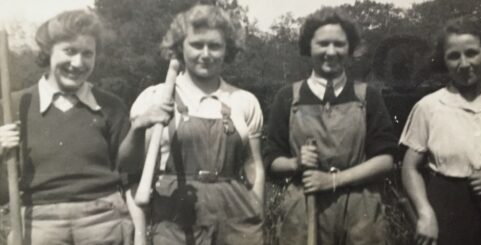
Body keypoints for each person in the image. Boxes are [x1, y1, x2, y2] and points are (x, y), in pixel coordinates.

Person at [120, 4, 264, 245]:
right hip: (174, 220)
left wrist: (255, 212)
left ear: (227, 49)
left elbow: (254, 166)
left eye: (215, 46)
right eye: (197, 45)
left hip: (234, 221)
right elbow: (127, 167)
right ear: (179, 48)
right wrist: (138, 127)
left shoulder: (244, 101)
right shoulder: (154, 98)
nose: (205, 54)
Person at [264, 7, 397, 245]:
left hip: (360, 211)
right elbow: (271, 159)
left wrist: (333, 181)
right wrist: (296, 163)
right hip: (303, 209)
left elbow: (385, 160)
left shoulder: (367, 96)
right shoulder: (288, 97)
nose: (331, 52)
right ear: (309, 46)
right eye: (323, 43)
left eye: (339, 44)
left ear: (350, 48)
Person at [0, 10, 134, 245]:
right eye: (69, 51)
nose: (78, 63)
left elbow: (130, 173)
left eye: (87, 54)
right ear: (48, 52)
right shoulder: (13, 106)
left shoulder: (111, 106)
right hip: (38, 223)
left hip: (103, 220)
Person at [400, 16, 481, 245]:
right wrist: (425, 213)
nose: (464, 64)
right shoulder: (429, 107)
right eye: (453, 56)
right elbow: (409, 167)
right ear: (443, 61)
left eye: (472, 53)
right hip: (450, 214)